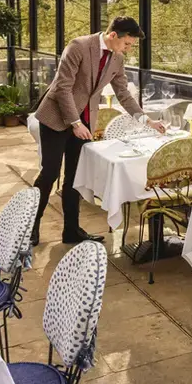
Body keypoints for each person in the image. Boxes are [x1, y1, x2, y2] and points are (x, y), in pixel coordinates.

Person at [32, 17, 165, 245]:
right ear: (114, 35)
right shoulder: (79, 46)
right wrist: (75, 123)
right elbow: (62, 88)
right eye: (127, 44)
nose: (128, 49)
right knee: (50, 174)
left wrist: (147, 120)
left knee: (74, 178)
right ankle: (31, 226)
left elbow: (123, 93)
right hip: (56, 118)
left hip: (85, 122)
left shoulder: (117, 58)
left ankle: (71, 231)